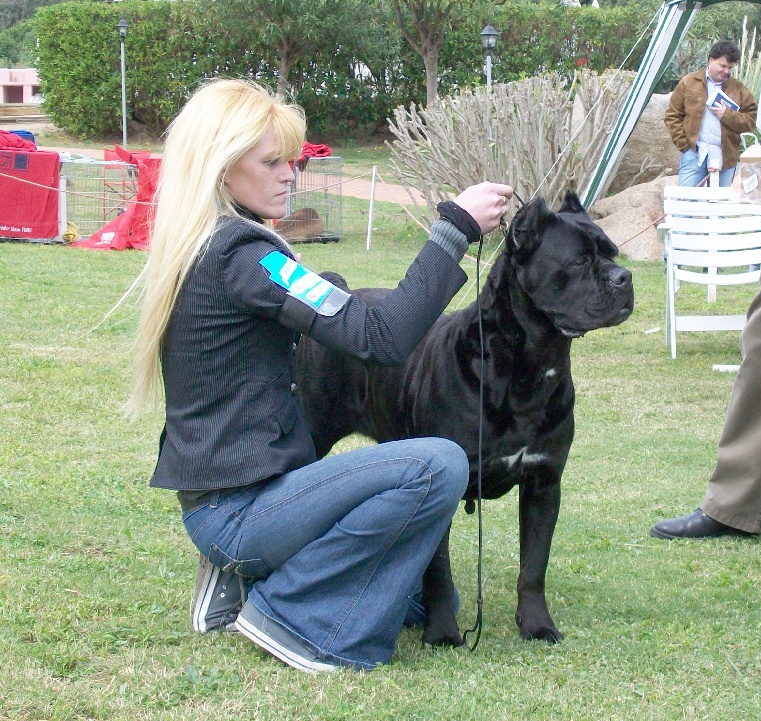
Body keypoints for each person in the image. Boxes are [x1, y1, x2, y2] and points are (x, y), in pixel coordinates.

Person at [125, 78, 513, 672]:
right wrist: (454, 229)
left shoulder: (208, 247)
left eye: (292, 161)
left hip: (233, 500)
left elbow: (347, 319)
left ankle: (242, 577)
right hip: (237, 511)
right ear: (222, 169)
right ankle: (290, 618)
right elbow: (382, 340)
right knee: (439, 464)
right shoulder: (245, 257)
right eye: (272, 161)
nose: (290, 175)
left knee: (415, 597)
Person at [650, 44, 761, 541]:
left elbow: (750, 119)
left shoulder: (740, 89)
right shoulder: (695, 83)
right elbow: (678, 115)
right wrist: (690, 146)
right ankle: (735, 507)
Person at [665, 40, 757, 187]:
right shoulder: (689, 82)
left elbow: (750, 122)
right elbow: (672, 115)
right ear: (711, 60)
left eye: (730, 67)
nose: (726, 71)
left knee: (720, 207)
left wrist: (727, 115)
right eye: (723, 66)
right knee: (686, 203)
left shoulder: (739, 89)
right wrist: (685, 147)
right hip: (694, 154)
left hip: (726, 158)